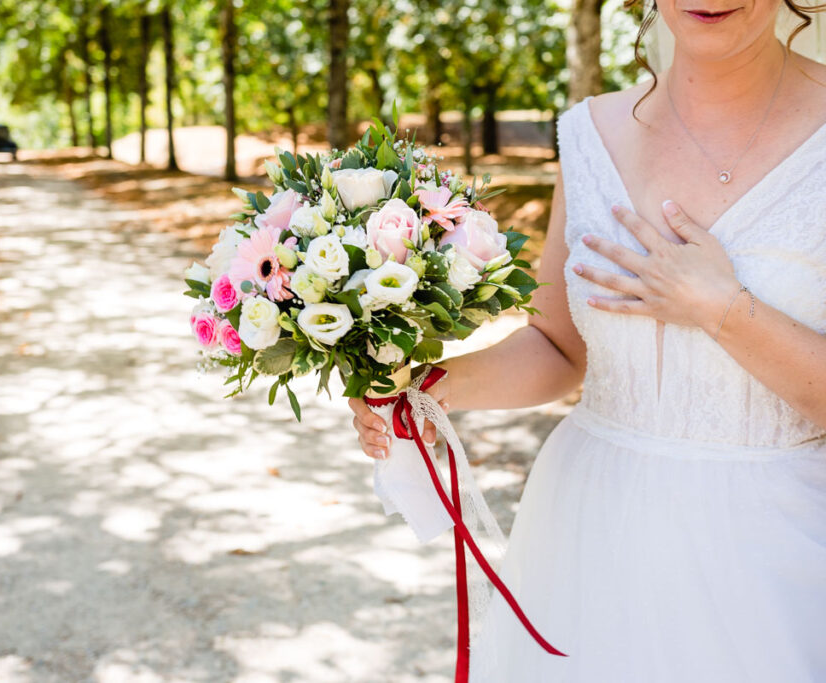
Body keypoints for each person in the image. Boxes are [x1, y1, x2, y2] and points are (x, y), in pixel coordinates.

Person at [349, 0, 826, 679]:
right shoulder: (588, 134)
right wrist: (421, 389)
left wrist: (724, 310)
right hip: (595, 533)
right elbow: (560, 348)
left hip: (778, 549)